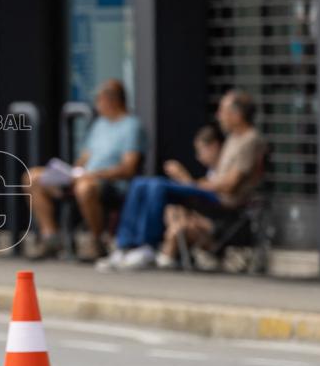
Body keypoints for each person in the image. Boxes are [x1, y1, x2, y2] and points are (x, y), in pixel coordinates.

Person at [97, 89, 265, 272]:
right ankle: (125, 245)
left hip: (224, 199)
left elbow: (230, 185)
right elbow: (218, 174)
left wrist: (192, 183)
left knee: (157, 187)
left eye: (223, 111)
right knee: (140, 183)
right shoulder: (233, 139)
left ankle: (147, 245)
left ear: (237, 114)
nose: (219, 116)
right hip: (211, 191)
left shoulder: (250, 140)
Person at [27, 79, 144, 260]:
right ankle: (51, 236)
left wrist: (92, 175)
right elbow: (84, 158)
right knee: (33, 177)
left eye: (99, 99)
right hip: (83, 177)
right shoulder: (100, 125)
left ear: (112, 100)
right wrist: (72, 172)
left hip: (110, 184)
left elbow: (128, 168)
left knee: (85, 187)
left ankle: (97, 241)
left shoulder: (132, 126)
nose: (96, 104)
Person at [156, 123, 224, 269]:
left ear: (214, 147)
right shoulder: (211, 172)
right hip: (203, 218)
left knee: (177, 227)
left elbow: (208, 194)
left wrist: (184, 177)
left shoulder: (222, 171)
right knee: (173, 210)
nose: (198, 157)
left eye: (201, 151)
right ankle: (170, 251)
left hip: (215, 222)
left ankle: (168, 253)